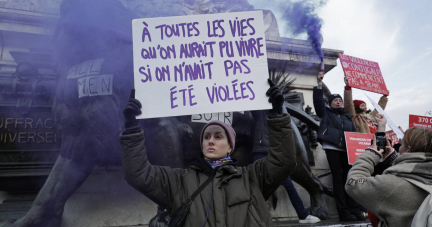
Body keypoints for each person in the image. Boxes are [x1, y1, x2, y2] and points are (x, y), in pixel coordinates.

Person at [119, 80, 297, 227]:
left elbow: (283, 161)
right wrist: (132, 128)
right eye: (206, 136)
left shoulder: (252, 178)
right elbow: (137, 174)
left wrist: (277, 116)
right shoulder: (178, 181)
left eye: (218, 136)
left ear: (230, 147)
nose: (211, 140)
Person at [346, 114, 432, 227]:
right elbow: (416, 169)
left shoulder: (391, 185)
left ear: (408, 149)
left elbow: (353, 184)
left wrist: (370, 154)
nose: (398, 147)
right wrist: (395, 158)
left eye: (400, 145)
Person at [251, 110, 320, 224]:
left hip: (276, 154)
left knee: (288, 184)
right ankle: (252, 216)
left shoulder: (280, 114)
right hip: (261, 151)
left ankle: (303, 215)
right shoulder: (260, 113)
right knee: (255, 185)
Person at [313, 72, 363, 221]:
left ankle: (355, 209)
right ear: (329, 103)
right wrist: (319, 84)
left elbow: (353, 133)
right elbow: (318, 103)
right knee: (338, 179)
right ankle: (343, 211)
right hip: (332, 148)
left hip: (348, 150)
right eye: (334, 100)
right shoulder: (325, 113)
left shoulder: (348, 117)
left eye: (339, 100)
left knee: (350, 178)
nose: (338, 102)